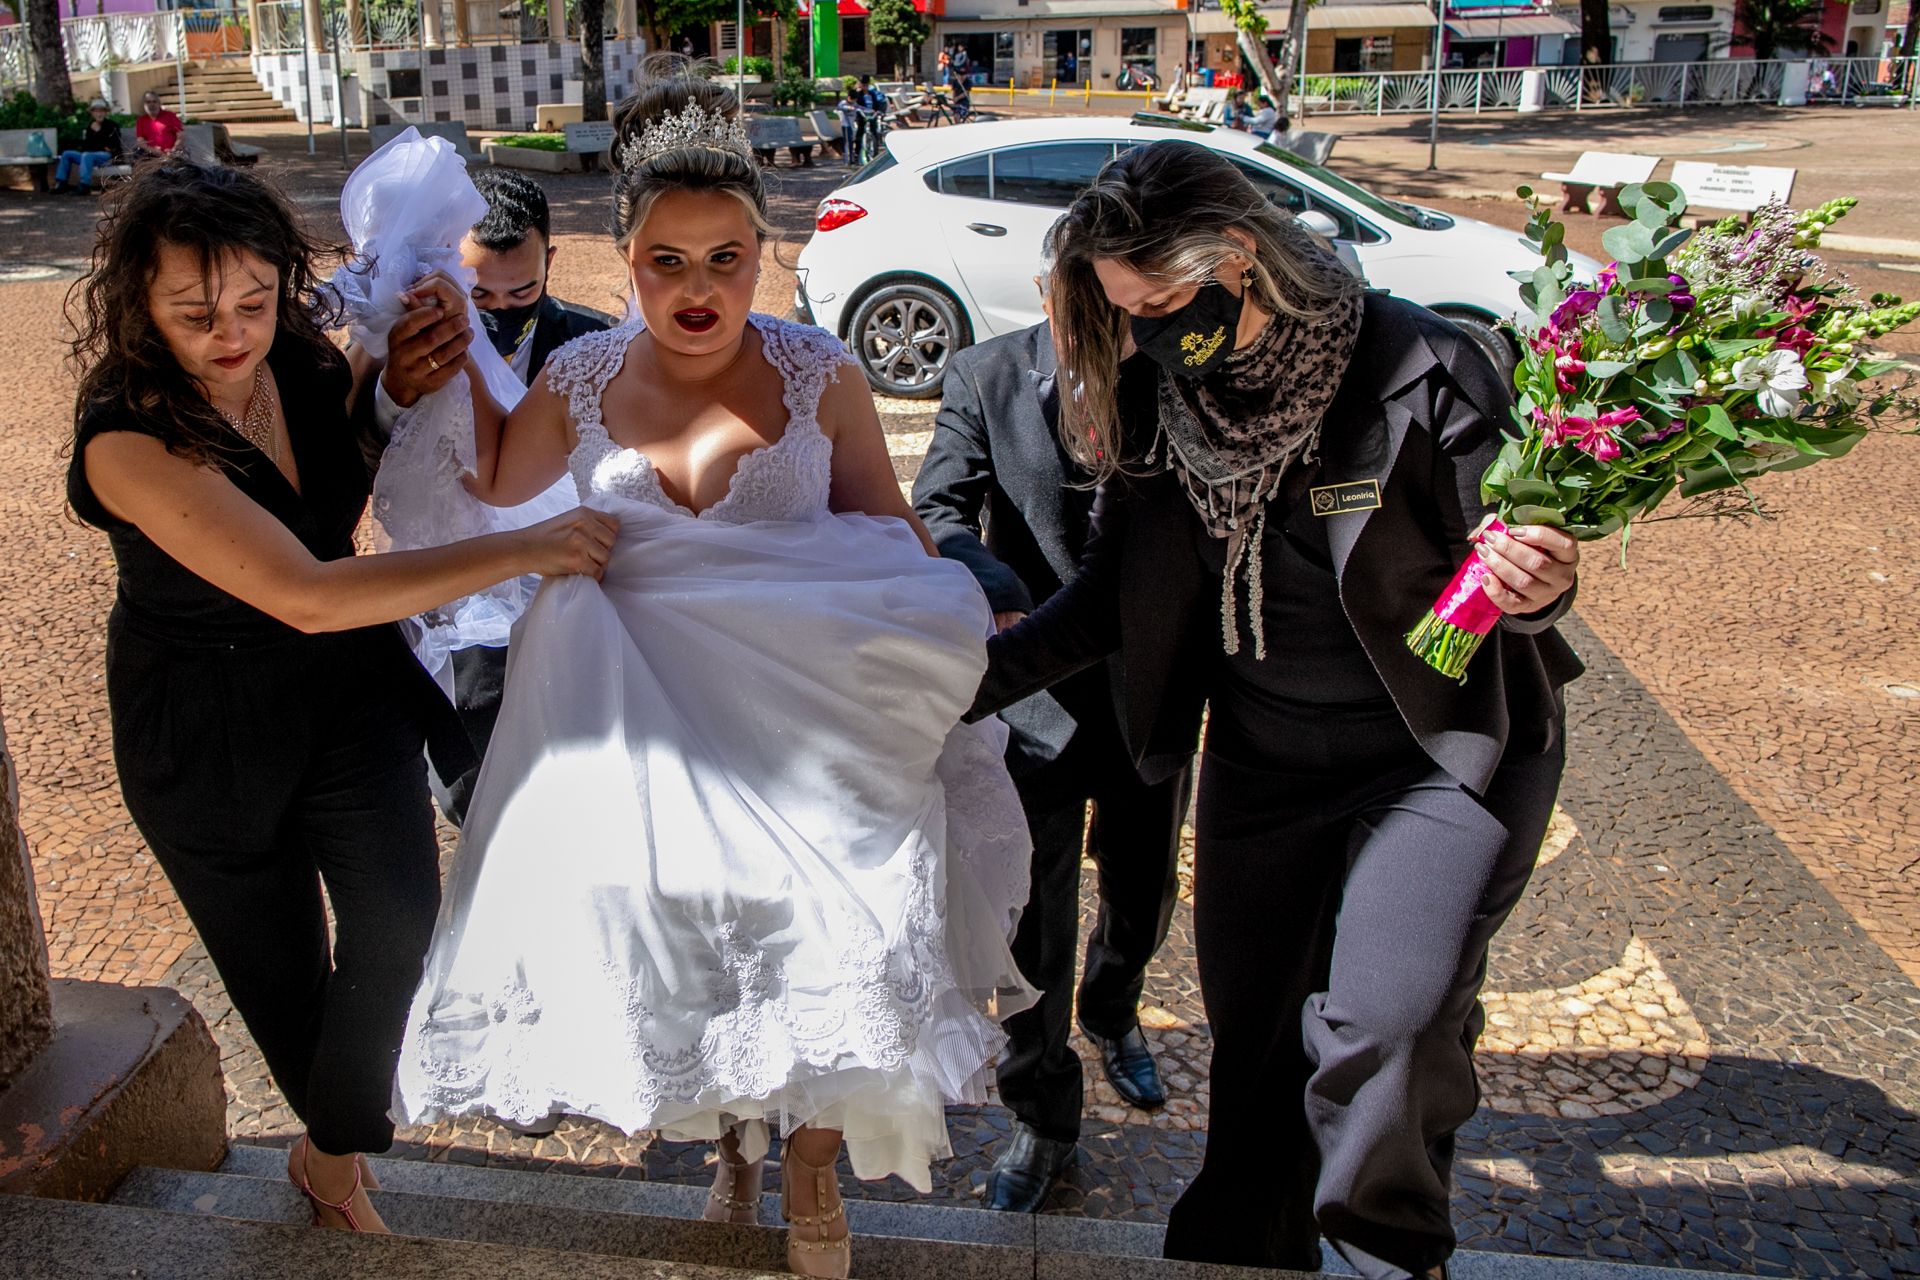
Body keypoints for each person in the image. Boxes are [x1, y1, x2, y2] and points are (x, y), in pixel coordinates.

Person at [384, 64, 1033, 1279]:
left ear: (763, 253)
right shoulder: (576, 380)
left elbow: (887, 525)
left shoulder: (819, 372)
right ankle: (734, 1137)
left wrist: (949, 607)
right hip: (645, 706)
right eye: (667, 262)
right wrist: (452, 359)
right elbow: (489, 496)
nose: (698, 288)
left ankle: (810, 1159)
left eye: (725, 258)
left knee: (843, 921)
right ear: (623, 262)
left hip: (806, 704)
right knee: (697, 930)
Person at [969, 139, 1583, 1279]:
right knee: (1256, 1053)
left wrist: (1541, 586)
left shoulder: (1427, 365)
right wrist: (947, 690)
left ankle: (1386, 1255)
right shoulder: (1166, 395)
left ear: (1240, 257)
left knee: (1382, 1027)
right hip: (1263, 762)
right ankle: (1250, 1255)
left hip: (1435, 757)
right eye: (1124, 310)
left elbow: (1516, 565)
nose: (1147, 332)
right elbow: (1108, 598)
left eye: (1160, 302)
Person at [65, 158, 618, 1237]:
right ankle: (340, 1155)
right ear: (140, 305)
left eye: (254, 303)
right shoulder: (126, 438)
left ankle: (330, 1148)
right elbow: (307, 590)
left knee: (400, 918)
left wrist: (394, 385)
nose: (230, 334)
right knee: (284, 983)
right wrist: (531, 545)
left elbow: (346, 449)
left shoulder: (297, 359)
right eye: (193, 312)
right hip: (206, 728)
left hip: (347, 690)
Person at [913, 290, 1190, 1214]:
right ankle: (1043, 1111)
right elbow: (940, 505)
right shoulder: (983, 375)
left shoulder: (1174, 370)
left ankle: (1115, 1006)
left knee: (1145, 891)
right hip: (1031, 692)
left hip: (1152, 694)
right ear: (1045, 295)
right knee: (1035, 922)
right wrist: (992, 586)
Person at [363, 166, 614, 830]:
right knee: (469, 792)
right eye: (481, 295)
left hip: (575, 600)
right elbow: (367, 449)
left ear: (550, 264)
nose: (498, 312)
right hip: (462, 604)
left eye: (522, 291)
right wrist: (398, 393)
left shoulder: (597, 346)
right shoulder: (410, 343)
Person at [55, 98, 124, 195]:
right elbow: (86, 146)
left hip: (106, 156)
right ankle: (61, 184)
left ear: (105, 112)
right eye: (96, 111)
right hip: (88, 156)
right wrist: (99, 144)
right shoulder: (90, 126)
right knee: (67, 154)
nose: (99, 114)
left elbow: (113, 145)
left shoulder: (112, 126)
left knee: (87, 155)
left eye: (102, 111)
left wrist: (99, 132)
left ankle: (84, 185)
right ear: (92, 113)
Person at [134, 90, 183, 155]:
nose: (152, 104)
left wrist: (174, 149)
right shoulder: (141, 120)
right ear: (144, 105)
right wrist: (153, 150)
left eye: (154, 101)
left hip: (172, 153)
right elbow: (140, 141)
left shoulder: (170, 116)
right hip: (151, 154)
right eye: (148, 102)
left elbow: (181, 136)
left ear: (159, 103)